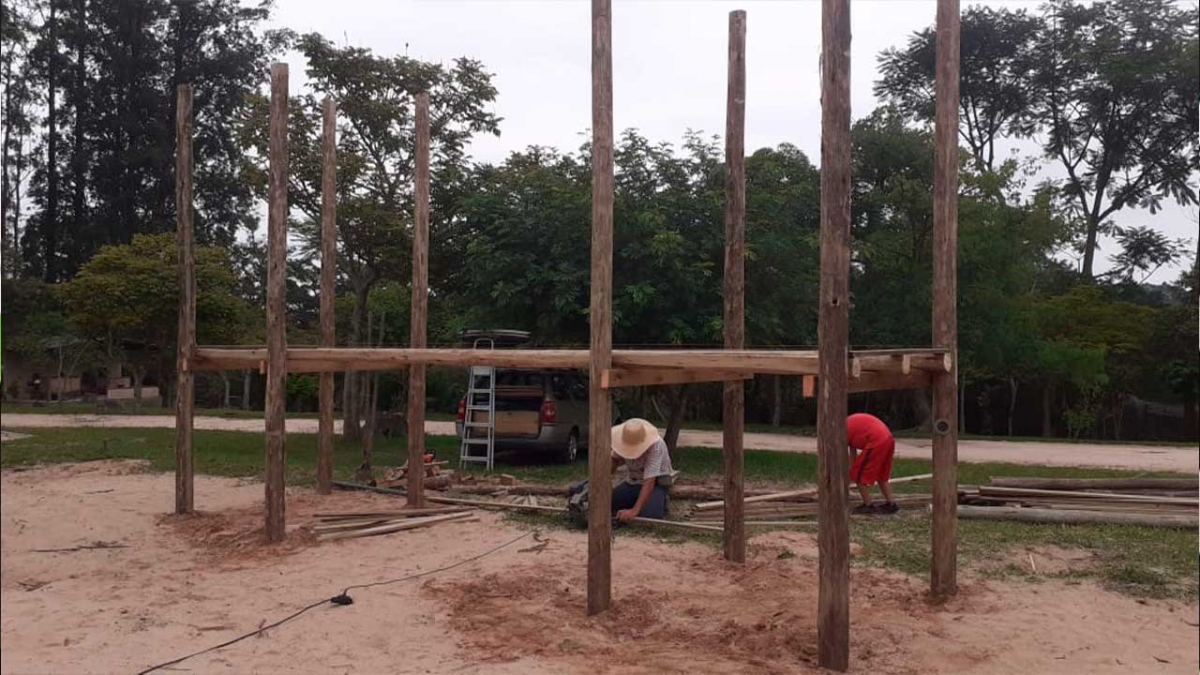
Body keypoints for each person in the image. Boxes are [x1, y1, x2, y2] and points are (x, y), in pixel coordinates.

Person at [610, 418, 675, 521]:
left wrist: (634, 511)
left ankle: (661, 500)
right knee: (611, 503)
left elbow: (650, 481)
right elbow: (614, 460)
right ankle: (638, 500)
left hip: (656, 483)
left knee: (649, 514)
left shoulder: (656, 445)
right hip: (633, 482)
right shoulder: (623, 440)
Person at [847, 412, 898, 515]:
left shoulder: (841, 431)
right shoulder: (848, 425)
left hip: (876, 440)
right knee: (881, 475)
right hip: (888, 438)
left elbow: (843, 456)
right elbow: (852, 453)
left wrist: (851, 474)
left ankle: (868, 505)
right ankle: (891, 504)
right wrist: (851, 469)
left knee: (858, 475)